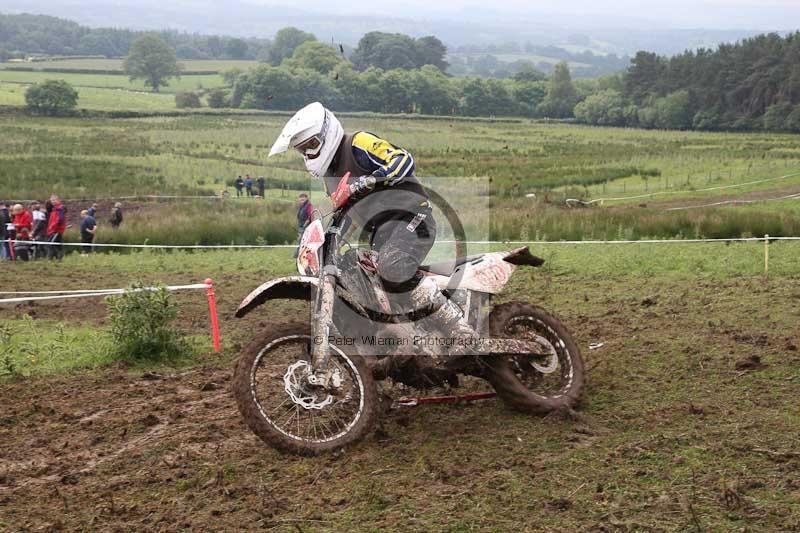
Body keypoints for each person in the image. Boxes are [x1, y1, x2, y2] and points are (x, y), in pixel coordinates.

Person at [269, 102, 474, 361]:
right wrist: (327, 242)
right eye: (302, 150)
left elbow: (403, 159)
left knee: (392, 267)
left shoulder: (358, 143)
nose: (308, 154)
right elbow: (349, 215)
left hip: (412, 217)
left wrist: (369, 180)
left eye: (310, 145)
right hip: (382, 235)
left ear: (325, 134)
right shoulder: (329, 179)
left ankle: (461, 331)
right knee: (364, 282)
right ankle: (411, 342)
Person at [293, 193, 314, 258]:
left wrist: (306, 224)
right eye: (301, 197)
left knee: (301, 240)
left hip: (306, 226)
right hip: (301, 226)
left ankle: (297, 255)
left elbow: (311, 215)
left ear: (307, 198)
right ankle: (300, 254)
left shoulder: (309, 205)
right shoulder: (301, 206)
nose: (302, 198)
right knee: (301, 240)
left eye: (304, 197)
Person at [45, 195, 67, 259]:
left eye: (54, 200)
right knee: (56, 244)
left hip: (57, 230)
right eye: (52, 200)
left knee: (51, 244)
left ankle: (53, 258)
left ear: (58, 200)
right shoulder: (54, 209)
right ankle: (57, 258)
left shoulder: (60, 208)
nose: (53, 201)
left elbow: (61, 219)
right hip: (53, 230)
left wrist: (53, 226)